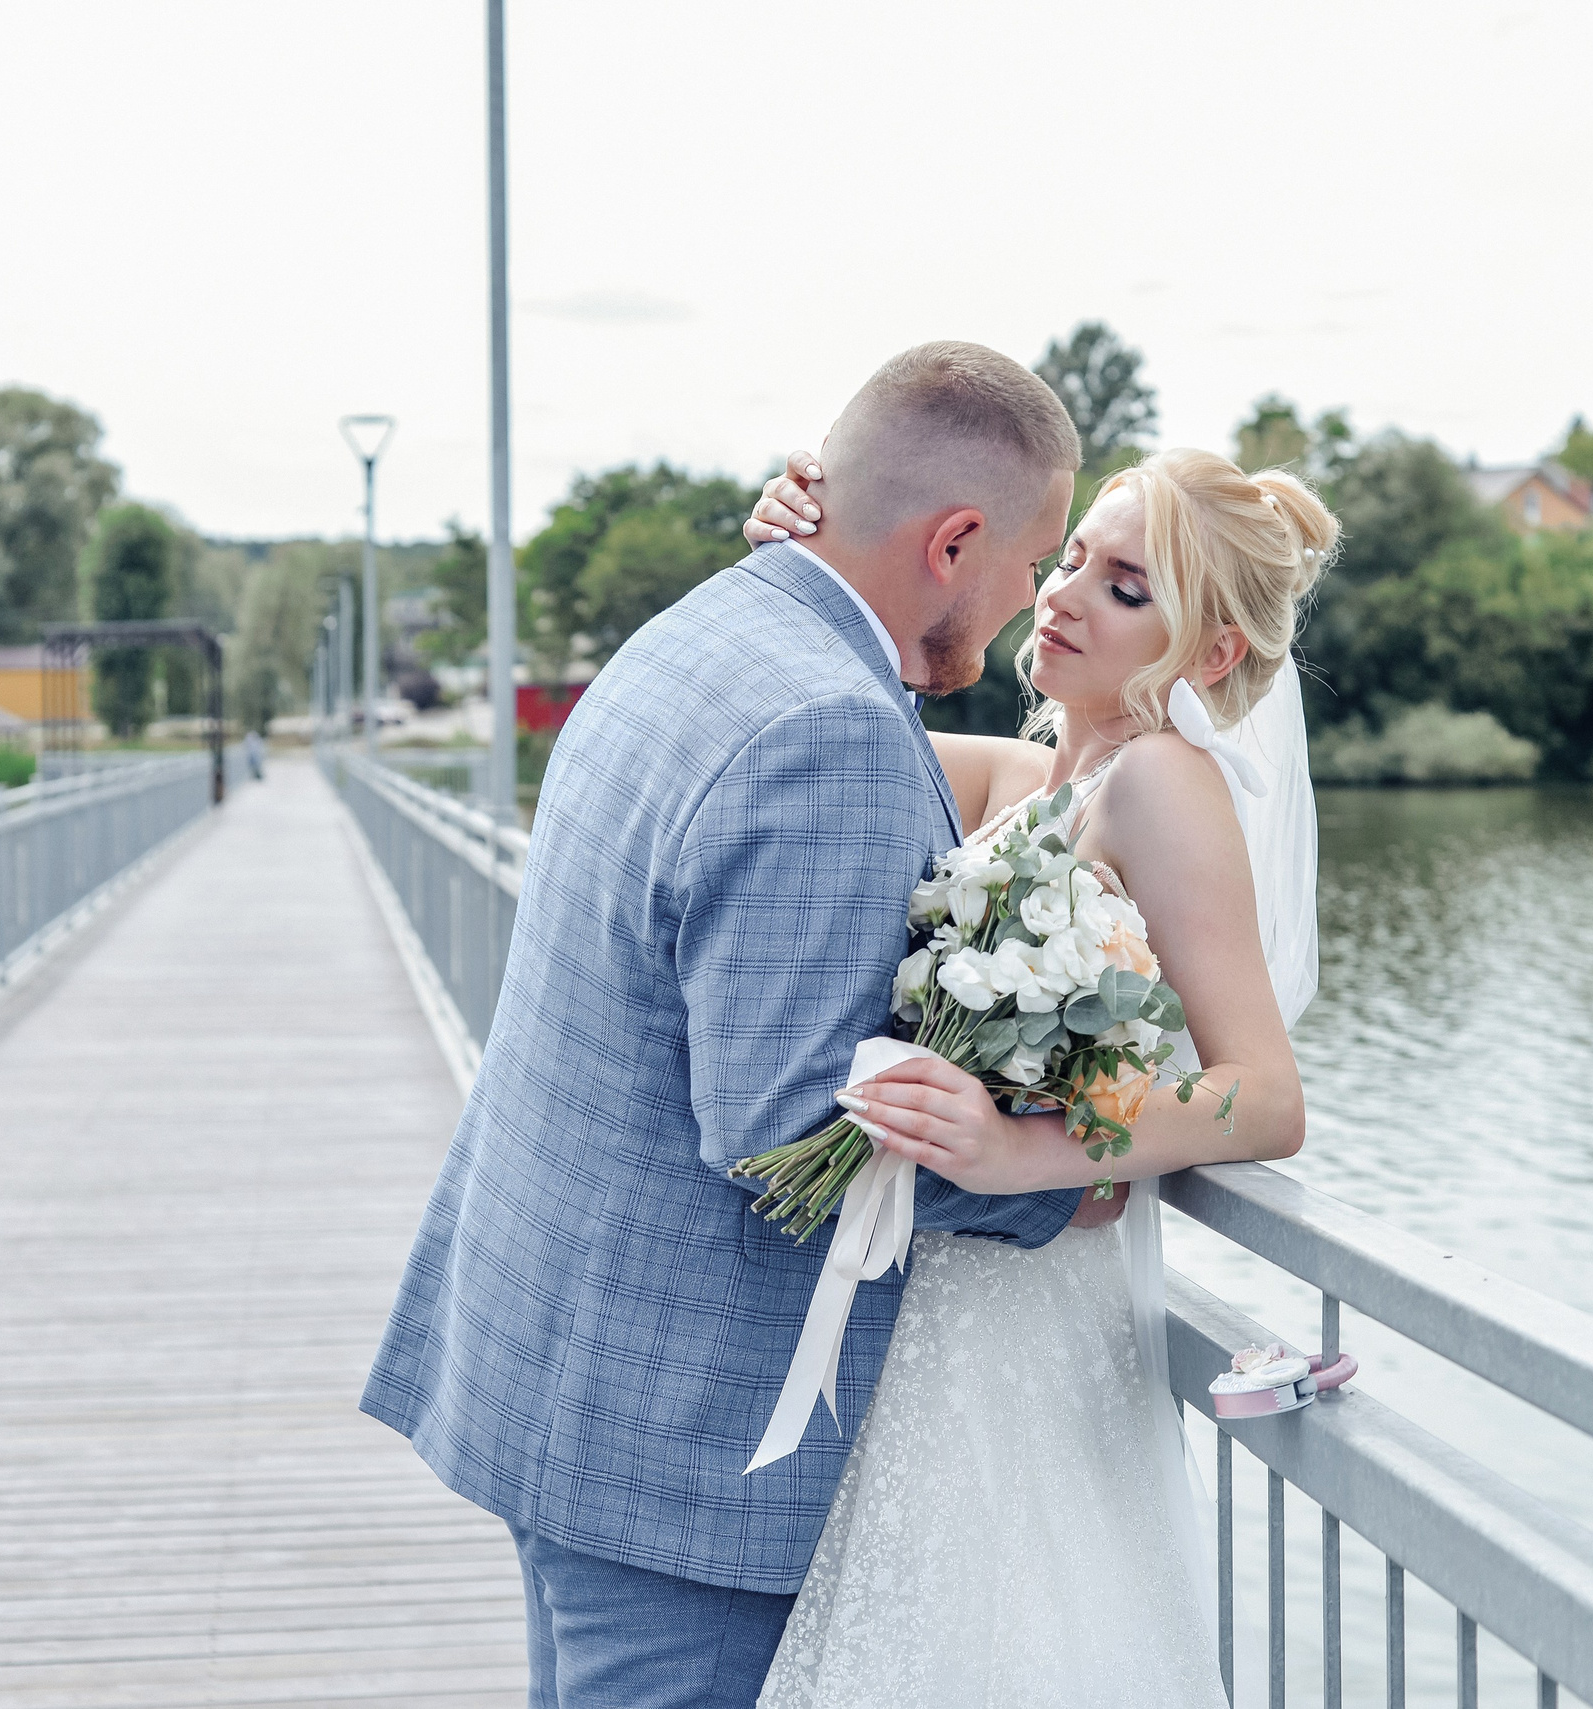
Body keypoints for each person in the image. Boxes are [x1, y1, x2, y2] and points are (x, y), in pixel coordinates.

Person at [361, 341, 1111, 1708]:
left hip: (564, 1370)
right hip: (674, 1450)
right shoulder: (827, 729)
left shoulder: (709, 626)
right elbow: (782, 1133)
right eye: (1033, 560)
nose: (1030, 603)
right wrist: (1067, 1178)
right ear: (955, 539)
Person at [735, 443, 1332, 1705]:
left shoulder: (1164, 785)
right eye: (1069, 560)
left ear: (1210, 656)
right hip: (945, 1292)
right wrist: (802, 559)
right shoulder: (1029, 772)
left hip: (1036, 1295)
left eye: (1124, 586)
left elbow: (1262, 1095)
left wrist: (1024, 1151)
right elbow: (827, 721)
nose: (1062, 592)